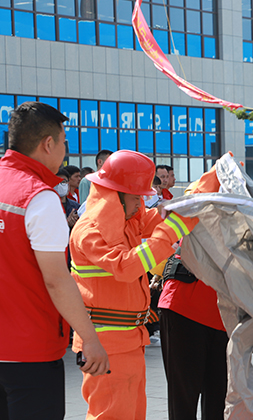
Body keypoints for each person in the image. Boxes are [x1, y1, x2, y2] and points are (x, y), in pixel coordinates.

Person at [158, 174, 253, 420]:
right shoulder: (222, 199)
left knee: (219, 399)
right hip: (185, 307)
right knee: (184, 399)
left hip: (224, 321)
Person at [0, 101, 109, 420]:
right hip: (30, 351)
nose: (64, 151)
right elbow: (56, 279)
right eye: (64, 142)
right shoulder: (39, 197)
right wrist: (89, 339)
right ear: (48, 143)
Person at [70, 150, 198, 420]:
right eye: (136, 196)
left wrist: (199, 194)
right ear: (115, 195)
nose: (141, 203)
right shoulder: (90, 231)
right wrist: (172, 228)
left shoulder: (123, 219)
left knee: (131, 413)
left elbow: (156, 219)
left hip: (126, 338)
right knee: (110, 414)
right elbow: (126, 267)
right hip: (105, 341)